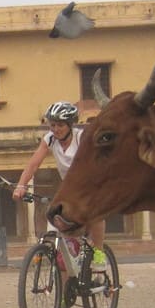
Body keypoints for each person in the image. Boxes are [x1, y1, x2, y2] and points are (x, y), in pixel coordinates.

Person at [12, 101, 107, 267]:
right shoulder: (50, 139)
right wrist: (21, 185)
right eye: (53, 125)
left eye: (60, 125)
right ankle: (65, 290)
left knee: (95, 213)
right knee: (62, 254)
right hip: (69, 187)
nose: (56, 129)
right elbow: (33, 164)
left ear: (70, 125)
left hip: (90, 182)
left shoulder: (81, 137)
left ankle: (99, 252)